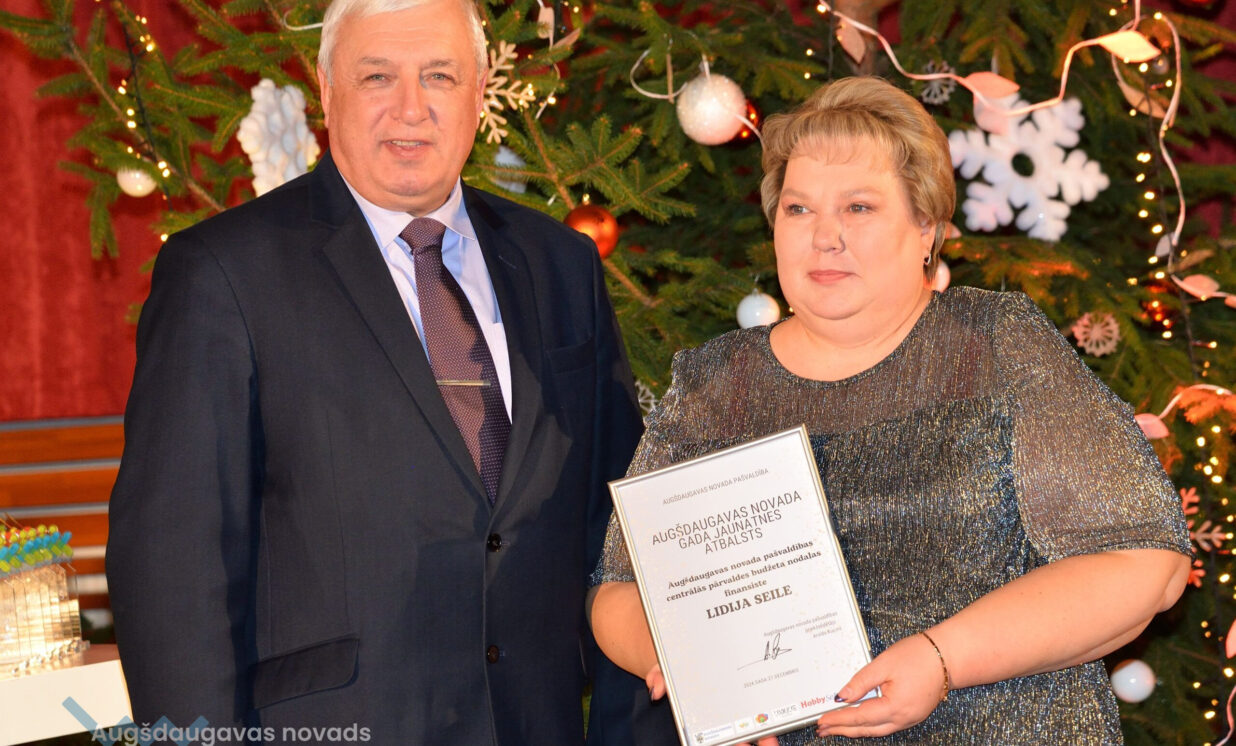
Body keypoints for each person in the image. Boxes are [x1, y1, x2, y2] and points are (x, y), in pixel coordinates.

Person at [587, 76, 1192, 745]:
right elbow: (619, 588)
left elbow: (1146, 563)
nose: (825, 237)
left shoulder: (996, 344)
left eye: (859, 207)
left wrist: (942, 660)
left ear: (925, 227)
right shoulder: (716, 384)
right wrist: (695, 670)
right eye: (799, 209)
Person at [106, 0, 646, 743]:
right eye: (377, 77)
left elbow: (619, 533)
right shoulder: (223, 274)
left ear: (479, 91)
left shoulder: (561, 264)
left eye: (439, 76)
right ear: (327, 90)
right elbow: (172, 572)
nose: (411, 108)